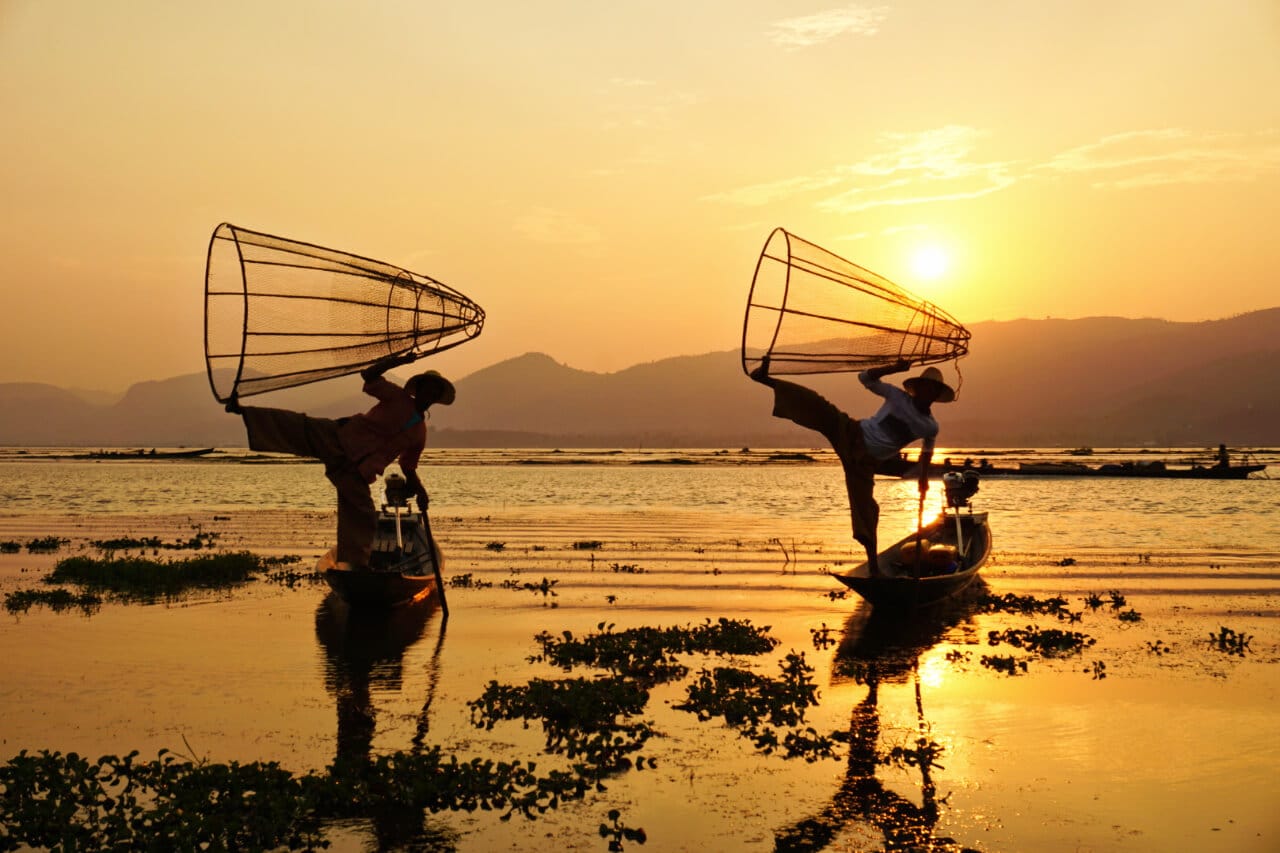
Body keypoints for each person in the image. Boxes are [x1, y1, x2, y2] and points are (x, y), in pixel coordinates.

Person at [225, 355, 455, 570]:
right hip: (339, 438)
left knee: (364, 515)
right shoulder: (397, 397)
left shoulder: (419, 433)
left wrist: (421, 491)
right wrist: (397, 361)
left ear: (436, 398)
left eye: (434, 392)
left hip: (356, 471)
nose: (429, 395)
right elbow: (369, 375)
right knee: (298, 426)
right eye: (427, 389)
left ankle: (355, 567)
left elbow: (408, 467)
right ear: (419, 389)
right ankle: (242, 411)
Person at [750, 357, 955, 575]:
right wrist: (894, 368)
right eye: (924, 386)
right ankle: (766, 379)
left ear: (936, 395)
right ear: (918, 387)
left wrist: (923, 480)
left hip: (864, 464)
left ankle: (874, 567)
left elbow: (926, 453)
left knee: (867, 511)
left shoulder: (930, 426)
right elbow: (865, 378)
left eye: (932, 389)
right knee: (817, 404)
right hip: (851, 433)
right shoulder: (897, 396)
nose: (927, 392)